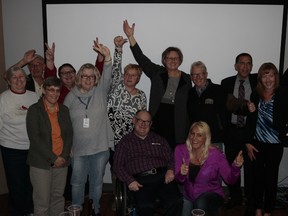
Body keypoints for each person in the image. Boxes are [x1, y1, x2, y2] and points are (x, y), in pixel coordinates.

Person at [123, 20, 191, 150]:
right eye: (169, 58)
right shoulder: (157, 72)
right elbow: (141, 59)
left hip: (179, 122)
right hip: (159, 118)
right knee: (157, 152)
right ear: (164, 60)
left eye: (176, 58)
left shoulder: (187, 79)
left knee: (175, 154)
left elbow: (189, 103)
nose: (172, 60)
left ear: (180, 60)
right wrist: (130, 36)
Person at [63, 39, 112, 216]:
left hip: (99, 149)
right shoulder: (70, 97)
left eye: (92, 76)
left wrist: (107, 58)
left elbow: (107, 75)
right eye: (85, 75)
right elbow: (64, 125)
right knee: (77, 183)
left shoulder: (100, 92)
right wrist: (67, 147)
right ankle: (76, 210)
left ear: (95, 78)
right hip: (78, 150)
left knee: (97, 183)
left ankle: (95, 210)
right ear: (79, 78)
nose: (88, 79)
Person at [113, 110, 183, 216]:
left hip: (163, 178)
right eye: (140, 120)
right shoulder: (125, 142)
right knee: (145, 207)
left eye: (147, 122)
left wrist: (170, 169)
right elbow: (117, 165)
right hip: (140, 182)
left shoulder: (159, 139)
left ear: (151, 124)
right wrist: (129, 180)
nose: (143, 124)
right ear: (134, 120)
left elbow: (172, 158)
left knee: (176, 201)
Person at [245, 63, 288, 216]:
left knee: (271, 179)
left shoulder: (283, 94)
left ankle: (268, 211)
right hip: (257, 144)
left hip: (275, 145)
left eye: (271, 75)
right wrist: (248, 142)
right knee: (257, 178)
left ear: (276, 77)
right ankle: (257, 209)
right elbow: (251, 121)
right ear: (260, 78)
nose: (268, 79)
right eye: (264, 75)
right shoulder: (255, 94)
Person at [174, 121, 243, 216]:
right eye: (192, 133)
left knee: (201, 203)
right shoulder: (180, 150)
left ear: (206, 137)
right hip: (188, 195)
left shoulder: (216, 155)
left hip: (212, 194)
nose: (194, 138)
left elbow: (230, 180)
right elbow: (179, 180)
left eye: (199, 135)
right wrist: (181, 174)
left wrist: (235, 166)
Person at [26, 77, 73, 216]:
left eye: (57, 90)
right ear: (44, 91)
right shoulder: (34, 110)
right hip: (41, 163)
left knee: (58, 198)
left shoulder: (64, 110)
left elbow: (69, 135)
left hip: (62, 162)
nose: (55, 93)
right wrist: (53, 158)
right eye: (51, 90)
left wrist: (63, 156)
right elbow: (35, 139)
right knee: (42, 202)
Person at [220, 53, 257, 215]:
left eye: (249, 63)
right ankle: (235, 197)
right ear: (235, 66)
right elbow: (224, 108)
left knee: (251, 168)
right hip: (232, 132)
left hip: (251, 133)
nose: (245, 66)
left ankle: (250, 200)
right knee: (231, 165)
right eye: (241, 63)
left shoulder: (258, 82)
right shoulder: (226, 83)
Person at [0, 66, 38, 216]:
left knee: (31, 184)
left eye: (21, 76)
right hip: (12, 149)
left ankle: (30, 211)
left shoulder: (34, 96)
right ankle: (17, 213)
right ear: (9, 81)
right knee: (17, 185)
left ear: (26, 78)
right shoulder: (3, 99)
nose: (18, 80)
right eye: (14, 77)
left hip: (33, 149)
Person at [187, 61, 225, 144]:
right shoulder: (189, 93)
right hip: (196, 140)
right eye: (195, 74)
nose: (198, 77)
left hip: (215, 138)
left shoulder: (219, 90)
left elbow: (229, 109)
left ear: (206, 74)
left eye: (201, 74)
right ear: (191, 77)